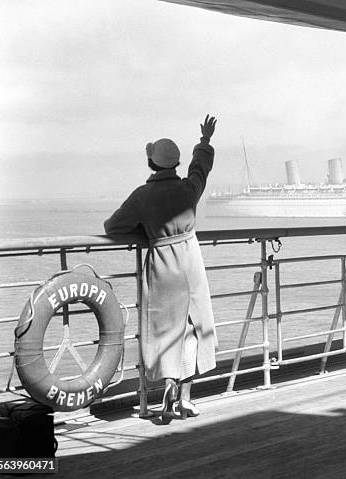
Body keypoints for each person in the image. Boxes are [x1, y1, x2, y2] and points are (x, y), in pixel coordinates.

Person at [104, 115, 218, 423]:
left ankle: (167, 386)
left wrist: (146, 231)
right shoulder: (188, 189)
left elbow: (113, 226)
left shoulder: (143, 196)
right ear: (176, 164)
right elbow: (201, 168)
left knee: (166, 330)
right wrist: (205, 141)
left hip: (162, 262)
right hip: (191, 259)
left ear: (152, 164)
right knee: (194, 328)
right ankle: (186, 399)